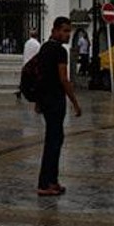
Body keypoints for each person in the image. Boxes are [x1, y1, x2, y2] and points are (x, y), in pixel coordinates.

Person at [35, 16, 81, 196]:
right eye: (64, 31)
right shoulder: (60, 51)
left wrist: (38, 101)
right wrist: (75, 102)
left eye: (69, 31)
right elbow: (63, 78)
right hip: (55, 100)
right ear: (55, 30)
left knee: (55, 139)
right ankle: (45, 183)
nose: (68, 35)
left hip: (46, 100)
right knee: (54, 141)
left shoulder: (44, 48)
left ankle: (52, 180)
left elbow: (40, 76)